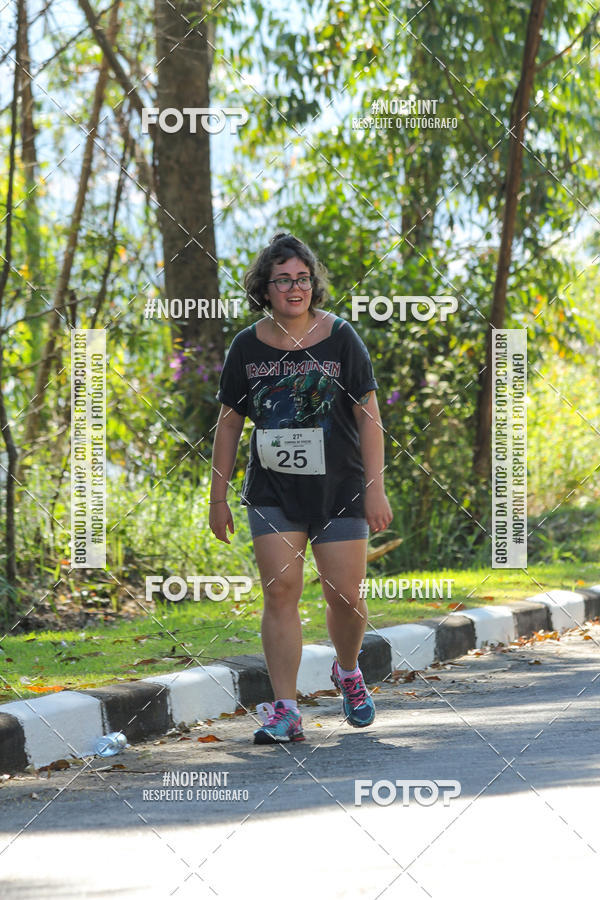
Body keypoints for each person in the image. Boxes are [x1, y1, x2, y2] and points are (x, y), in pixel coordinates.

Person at [209, 232, 393, 744]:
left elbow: (369, 417)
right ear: (264, 289)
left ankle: (349, 672)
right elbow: (228, 424)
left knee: (346, 596)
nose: (295, 288)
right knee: (281, 592)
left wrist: (376, 490)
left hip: (340, 491)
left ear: (314, 284)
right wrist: (217, 498)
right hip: (273, 492)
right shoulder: (246, 346)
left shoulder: (341, 338)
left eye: (303, 279)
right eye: (283, 280)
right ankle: (286, 710)